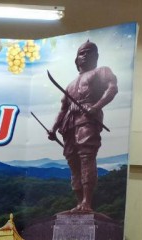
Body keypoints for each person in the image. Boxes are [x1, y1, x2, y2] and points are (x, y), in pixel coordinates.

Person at [49, 40, 118, 212]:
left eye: (90, 52)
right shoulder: (70, 85)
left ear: (96, 56)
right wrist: (54, 128)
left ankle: (87, 202)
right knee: (73, 162)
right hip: (69, 124)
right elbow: (63, 109)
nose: (86, 55)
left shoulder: (101, 71)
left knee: (86, 157)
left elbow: (112, 88)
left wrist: (96, 107)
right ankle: (79, 202)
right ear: (76, 59)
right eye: (82, 53)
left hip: (87, 119)